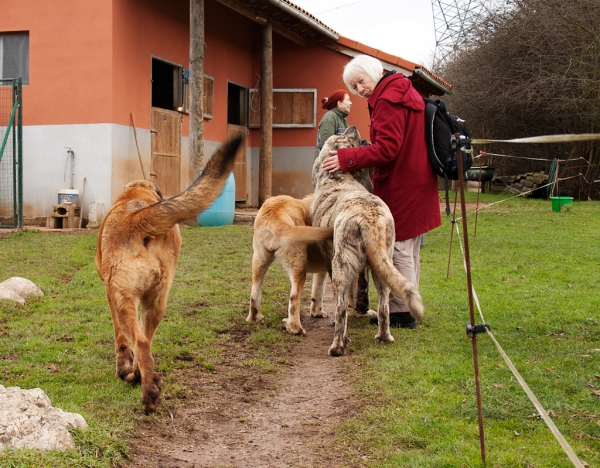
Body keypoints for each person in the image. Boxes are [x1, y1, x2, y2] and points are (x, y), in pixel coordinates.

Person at [321, 54, 441, 329]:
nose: (360, 90)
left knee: (396, 245)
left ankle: (400, 314)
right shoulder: (403, 91)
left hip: (401, 182)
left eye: (361, 81)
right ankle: (410, 305)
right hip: (417, 177)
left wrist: (346, 157)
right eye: (354, 87)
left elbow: (387, 149)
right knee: (409, 245)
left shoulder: (388, 100)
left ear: (373, 72)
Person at [314, 89, 352, 160]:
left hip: (337, 162)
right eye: (348, 100)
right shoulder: (329, 118)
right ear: (339, 104)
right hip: (326, 164)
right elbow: (326, 145)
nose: (351, 103)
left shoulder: (343, 119)